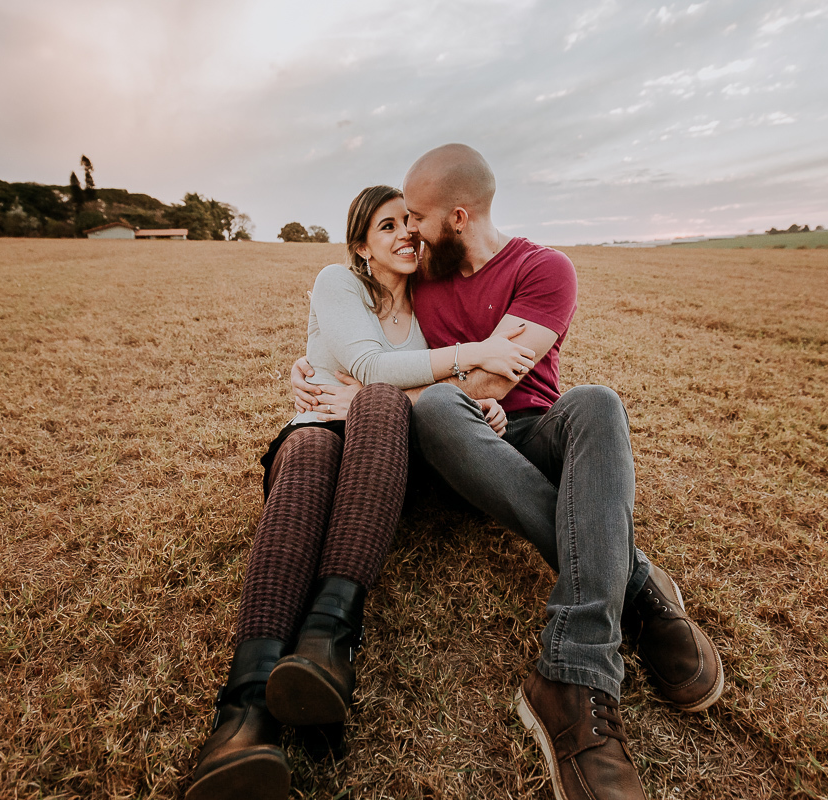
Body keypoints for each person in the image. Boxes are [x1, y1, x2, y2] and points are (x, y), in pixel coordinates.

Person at [292, 145, 724, 800]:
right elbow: (371, 341)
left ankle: (578, 660)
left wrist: (378, 394)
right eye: (400, 222)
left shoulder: (545, 269)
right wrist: (323, 373)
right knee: (440, 406)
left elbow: (496, 379)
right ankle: (634, 585)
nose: (410, 232)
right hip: (453, 443)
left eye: (417, 218)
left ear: (457, 217)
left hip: (528, 430)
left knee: (596, 401)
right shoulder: (421, 275)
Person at [185, 184, 534, 800]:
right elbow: (373, 365)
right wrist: (474, 352)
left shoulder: (431, 303)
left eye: (409, 222)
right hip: (319, 431)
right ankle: (244, 715)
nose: (406, 234)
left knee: (377, 402)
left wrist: (479, 407)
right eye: (387, 226)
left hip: (385, 454)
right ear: (362, 246)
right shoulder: (338, 283)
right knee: (313, 447)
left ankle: (327, 645)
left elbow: (421, 388)